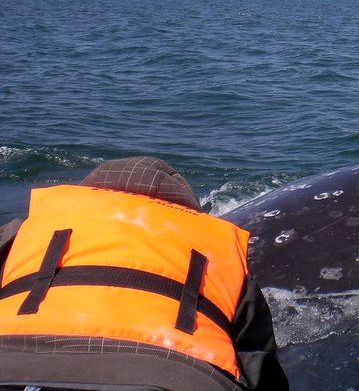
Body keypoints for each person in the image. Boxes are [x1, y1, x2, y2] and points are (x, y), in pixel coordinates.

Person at [0, 157, 289, 391]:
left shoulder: (24, 232)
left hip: (14, 363)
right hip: (178, 378)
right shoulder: (216, 251)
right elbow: (259, 361)